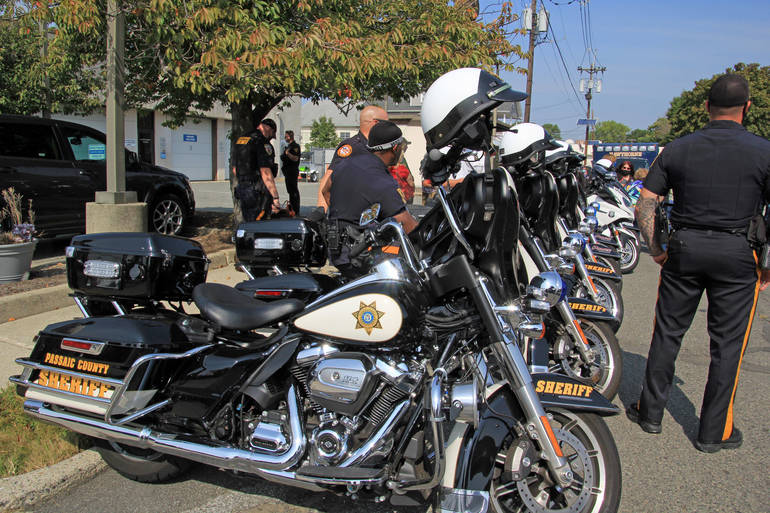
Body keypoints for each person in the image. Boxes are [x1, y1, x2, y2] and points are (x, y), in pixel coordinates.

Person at [628, 73, 770, 453]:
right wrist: (768, 264)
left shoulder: (678, 148)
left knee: (668, 333)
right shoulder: (763, 150)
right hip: (739, 252)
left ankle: (650, 413)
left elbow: (646, 201)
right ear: (748, 109)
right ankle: (713, 432)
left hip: (685, 247)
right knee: (727, 345)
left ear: (707, 107)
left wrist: (655, 246)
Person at [322, 120, 418, 278]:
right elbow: (407, 225)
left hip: (337, 249)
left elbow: (326, 190)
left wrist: (345, 215)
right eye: (402, 147)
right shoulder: (380, 180)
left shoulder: (346, 163)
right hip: (359, 255)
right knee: (407, 263)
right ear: (395, 148)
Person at [316, 105, 389, 211]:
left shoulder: (379, 148)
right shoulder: (353, 147)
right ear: (375, 123)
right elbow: (329, 178)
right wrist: (321, 210)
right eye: (387, 124)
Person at [232, 118, 281, 222]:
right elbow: (266, 172)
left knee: (248, 222)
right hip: (257, 191)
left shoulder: (241, 140)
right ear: (269, 129)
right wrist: (275, 197)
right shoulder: (262, 142)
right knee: (260, 225)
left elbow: (235, 170)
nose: (270, 138)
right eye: (272, 134)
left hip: (243, 189)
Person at [280, 130, 301, 214]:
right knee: (290, 191)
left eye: (286, 136)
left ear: (290, 137)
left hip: (292, 171)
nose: (285, 138)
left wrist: (288, 153)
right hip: (287, 171)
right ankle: (291, 208)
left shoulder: (295, 146)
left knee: (294, 191)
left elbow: (295, 158)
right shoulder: (288, 146)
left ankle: (295, 209)